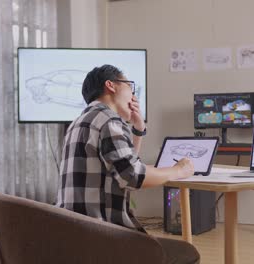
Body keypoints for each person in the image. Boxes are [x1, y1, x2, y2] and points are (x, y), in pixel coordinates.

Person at [55, 64, 195, 236]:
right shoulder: (108, 120)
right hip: (102, 234)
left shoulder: (79, 121)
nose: (134, 96)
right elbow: (133, 177)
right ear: (111, 85)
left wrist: (138, 128)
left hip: (74, 232)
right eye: (130, 86)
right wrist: (178, 170)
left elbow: (124, 169)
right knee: (184, 253)